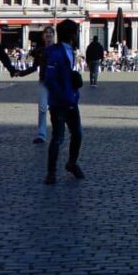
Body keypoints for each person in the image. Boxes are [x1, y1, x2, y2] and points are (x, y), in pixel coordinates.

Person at [43, 19, 84, 184]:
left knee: (77, 134)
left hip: (71, 100)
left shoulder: (70, 51)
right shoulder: (56, 53)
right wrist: (61, 97)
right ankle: (51, 173)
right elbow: (50, 79)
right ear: (72, 35)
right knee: (58, 137)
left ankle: (71, 163)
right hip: (60, 103)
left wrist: (74, 81)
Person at [17, 32, 52, 144]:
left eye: (51, 32)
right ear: (43, 37)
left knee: (56, 109)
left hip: (56, 83)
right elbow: (34, 67)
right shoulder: (40, 51)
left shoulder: (58, 49)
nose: (48, 34)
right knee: (42, 108)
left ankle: (57, 132)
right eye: (47, 33)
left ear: (54, 35)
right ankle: (41, 134)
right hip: (43, 82)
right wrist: (21, 73)